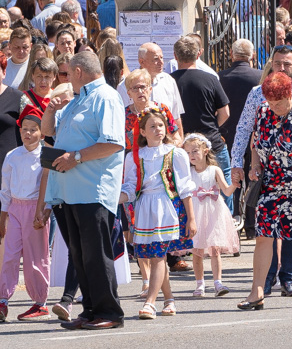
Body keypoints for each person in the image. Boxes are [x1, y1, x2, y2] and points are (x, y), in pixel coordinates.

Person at [41, 51, 125, 330]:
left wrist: (75, 157)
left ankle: (109, 312)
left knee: (96, 253)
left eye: (66, 73)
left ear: (78, 72)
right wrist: (51, 110)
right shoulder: (78, 99)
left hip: (92, 189)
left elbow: (113, 143)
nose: (65, 78)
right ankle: (90, 309)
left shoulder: (105, 97)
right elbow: (47, 132)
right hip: (68, 191)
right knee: (79, 254)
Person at [241, 73, 292, 310]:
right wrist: (255, 164)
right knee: (263, 237)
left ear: (290, 95)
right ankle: (256, 291)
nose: (274, 107)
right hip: (270, 185)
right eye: (270, 103)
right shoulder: (263, 112)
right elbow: (256, 143)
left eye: (279, 103)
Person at [119, 108, 197, 319]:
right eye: (152, 126)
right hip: (145, 207)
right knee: (155, 256)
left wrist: (191, 218)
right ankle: (169, 299)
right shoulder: (134, 156)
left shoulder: (175, 153)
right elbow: (130, 187)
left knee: (158, 256)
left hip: (167, 207)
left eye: (160, 125)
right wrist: (115, 198)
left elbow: (185, 187)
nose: (157, 130)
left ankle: (150, 302)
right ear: (142, 132)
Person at [171, 36, 231, 212]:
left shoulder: (169, 81)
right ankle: (227, 222)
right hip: (211, 141)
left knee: (184, 189)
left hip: (181, 146)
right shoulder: (210, 79)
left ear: (175, 56)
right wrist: (212, 127)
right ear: (198, 54)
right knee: (223, 185)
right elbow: (225, 112)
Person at [0, 111, 50, 321]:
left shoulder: (45, 155)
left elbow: (49, 187)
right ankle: (2, 300)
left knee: (35, 257)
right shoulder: (13, 155)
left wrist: (44, 211)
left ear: (41, 132)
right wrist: (3, 216)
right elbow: (5, 189)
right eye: (24, 129)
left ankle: (40, 302)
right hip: (14, 209)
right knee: (9, 255)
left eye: (33, 129)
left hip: (35, 210)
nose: (28, 133)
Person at [184, 133, 239, 298]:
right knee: (197, 249)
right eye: (187, 153)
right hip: (196, 212)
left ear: (206, 151)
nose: (191, 156)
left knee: (215, 248)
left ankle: (217, 282)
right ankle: (200, 284)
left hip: (214, 211)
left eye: (194, 151)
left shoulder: (214, 170)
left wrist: (235, 184)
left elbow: (227, 190)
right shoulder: (188, 172)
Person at [218, 39, 262, 226]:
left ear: (231, 54)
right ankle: (251, 223)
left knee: (232, 175)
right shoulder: (260, 76)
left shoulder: (221, 77)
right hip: (254, 132)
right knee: (254, 175)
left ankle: (234, 214)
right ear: (252, 55)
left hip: (228, 133)